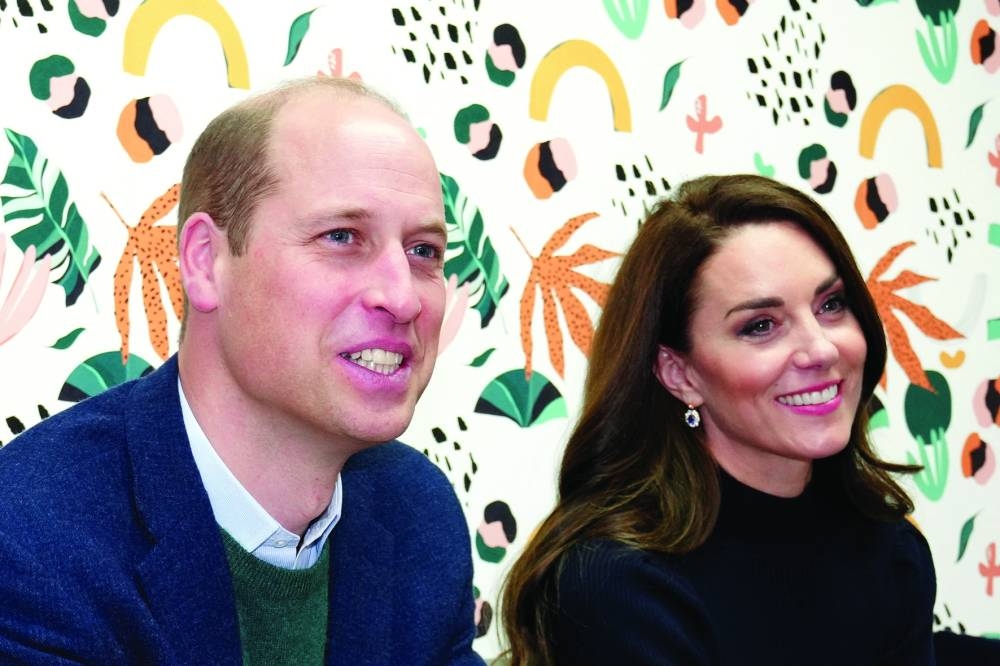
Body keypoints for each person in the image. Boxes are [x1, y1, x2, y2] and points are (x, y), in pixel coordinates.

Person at [0, 77, 483, 665]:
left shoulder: (419, 518)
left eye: (423, 251)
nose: (403, 297)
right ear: (206, 262)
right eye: (342, 237)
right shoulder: (32, 538)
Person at [501, 174, 937, 665]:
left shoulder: (891, 553)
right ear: (679, 373)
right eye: (761, 326)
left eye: (831, 305)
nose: (820, 348)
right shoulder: (617, 584)